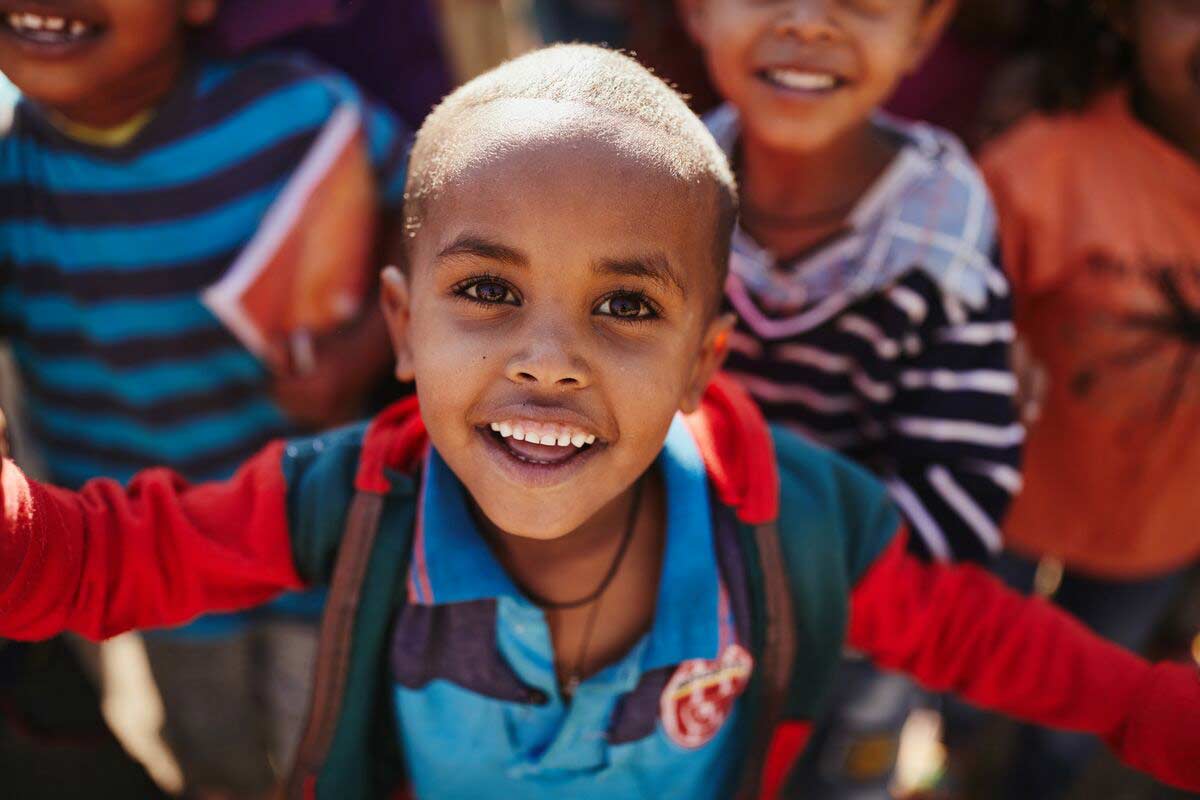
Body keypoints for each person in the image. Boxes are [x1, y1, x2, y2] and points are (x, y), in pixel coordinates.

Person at [1, 43, 1198, 800]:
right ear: (402, 330)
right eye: (487, 291)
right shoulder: (350, 498)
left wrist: (1159, 713)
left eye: (626, 305)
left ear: (702, 360)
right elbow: (97, 558)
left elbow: (990, 641)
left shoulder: (796, 525)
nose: (550, 358)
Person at [0, 0, 409, 796]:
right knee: (214, 760)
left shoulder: (299, 110)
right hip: (142, 567)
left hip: (315, 540)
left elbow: (427, 216)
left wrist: (362, 350)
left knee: (325, 758)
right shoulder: (12, 181)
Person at [676, 0, 1019, 793]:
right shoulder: (657, 181)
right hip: (680, 604)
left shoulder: (941, 234)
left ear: (924, 31)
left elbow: (962, 492)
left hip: (855, 625)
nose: (808, 24)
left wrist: (783, 587)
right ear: (695, 10)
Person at [976, 0, 1200, 796]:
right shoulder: (1042, 169)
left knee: (1088, 713)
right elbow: (958, 310)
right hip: (1012, 505)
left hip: (1162, 531)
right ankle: (963, 749)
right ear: (1124, 17)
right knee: (971, 667)